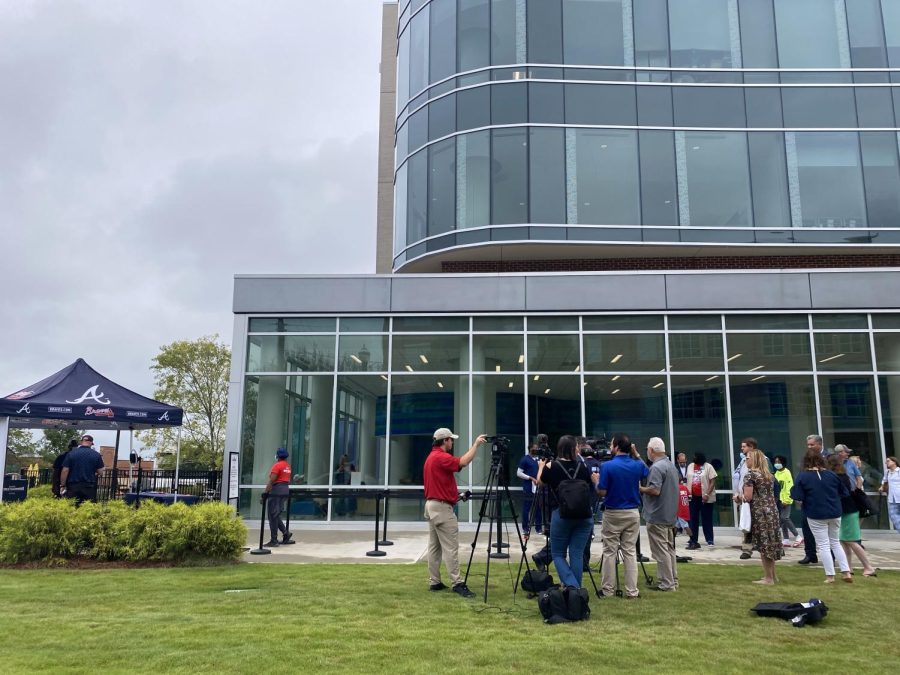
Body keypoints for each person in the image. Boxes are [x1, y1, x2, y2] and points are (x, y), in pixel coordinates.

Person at [423, 428, 486, 598]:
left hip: (432, 506)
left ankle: (434, 581)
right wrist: (476, 445)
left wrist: (453, 496)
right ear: (445, 440)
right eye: (451, 440)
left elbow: (439, 485)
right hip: (442, 509)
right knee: (450, 547)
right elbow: (463, 462)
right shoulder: (441, 457)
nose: (452, 442)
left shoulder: (431, 457)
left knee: (434, 547)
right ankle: (457, 583)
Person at [536, 435, 594, 589]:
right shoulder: (583, 466)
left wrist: (541, 467)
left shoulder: (552, 466)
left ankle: (572, 587)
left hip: (561, 515)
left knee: (557, 554)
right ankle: (576, 593)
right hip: (584, 516)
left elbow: (540, 483)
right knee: (576, 553)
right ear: (574, 448)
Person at [596, 432, 649, 598]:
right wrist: (636, 453)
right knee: (630, 551)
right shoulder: (637, 465)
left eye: (612, 444)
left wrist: (595, 481)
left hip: (613, 512)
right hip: (632, 512)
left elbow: (602, 491)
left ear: (617, 446)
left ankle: (608, 589)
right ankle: (632, 591)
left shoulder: (607, 466)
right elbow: (647, 471)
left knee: (610, 551)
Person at [790, 448, 853, 584]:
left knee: (824, 545)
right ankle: (846, 571)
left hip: (815, 513)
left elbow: (797, 496)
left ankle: (830, 576)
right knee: (835, 542)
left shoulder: (803, 476)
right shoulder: (831, 475)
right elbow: (844, 492)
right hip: (834, 512)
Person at [639, 437, 680, 591]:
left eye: (647, 450)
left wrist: (640, 488)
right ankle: (672, 580)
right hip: (669, 515)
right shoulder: (670, 466)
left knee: (661, 552)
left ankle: (666, 583)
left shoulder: (657, 468)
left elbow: (655, 490)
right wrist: (637, 456)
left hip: (657, 515)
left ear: (652, 450)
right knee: (669, 550)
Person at [827, 455, 876, 577]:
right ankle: (848, 567)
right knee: (844, 540)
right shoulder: (843, 476)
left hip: (848, 511)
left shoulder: (837, 478)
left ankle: (868, 567)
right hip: (846, 511)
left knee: (851, 540)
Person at [742, 449, 784, 584]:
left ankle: (768, 578)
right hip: (772, 510)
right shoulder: (769, 475)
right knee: (771, 543)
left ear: (754, 459)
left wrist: (738, 497)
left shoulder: (750, 476)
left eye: (747, 458)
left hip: (760, 512)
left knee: (763, 544)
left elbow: (748, 497)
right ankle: (773, 575)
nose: (745, 460)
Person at [797, 434, 823, 564]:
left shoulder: (827, 457)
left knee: (826, 531)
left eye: (812, 444)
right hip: (808, 500)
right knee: (806, 528)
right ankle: (810, 554)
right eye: (808, 445)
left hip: (823, 500)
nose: (809, 447)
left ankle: (831, 556)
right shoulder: (805, 459)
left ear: (819, 444)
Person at [59, 435, 105, 505]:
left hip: (73, 486)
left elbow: (65, 470)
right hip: (89, 487)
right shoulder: (96, 455)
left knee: (72, 507)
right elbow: (101, 472)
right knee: (88, 509)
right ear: (91, 443)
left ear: (81, 442)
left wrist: (62, 485)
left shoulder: (71, 454)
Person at [262, 447, 293, 547]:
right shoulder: (288, 466)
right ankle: (285, 533)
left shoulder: (277, 466)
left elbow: (272, 480)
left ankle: (274, 540)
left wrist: (265, 493)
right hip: (285, 490)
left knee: (272, 515)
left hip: (277, 490)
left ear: (278, 456)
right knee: (275, 514)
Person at [685, 452, 717, 550]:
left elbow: (712, 481)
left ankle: (709, 539)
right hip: (693, 497)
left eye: (695, 457)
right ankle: (693, 539)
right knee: (692, 519)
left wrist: (707, 493)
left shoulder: (708, 467)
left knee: (706, 519)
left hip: (705, 497)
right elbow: (688, 479)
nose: (693, 458)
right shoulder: (690, 466)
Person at [733, 438, 756, 560]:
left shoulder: (761, 460)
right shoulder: (743, 461)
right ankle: (747, 549)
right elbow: (739, 478)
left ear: (751, 447)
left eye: (744, 447)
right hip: (744, 498)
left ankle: (769, 547)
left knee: (758, 525)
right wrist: (737, 493)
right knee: (747, 525)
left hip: (756, 499)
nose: (742, 449)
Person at [773, 455, 801, 547]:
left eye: (779, 462)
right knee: (782, 519)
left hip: (785, 500)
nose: (777, 464)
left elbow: (789, 487)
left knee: (785, 518)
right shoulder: (776, 473)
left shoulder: (787, 473)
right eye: (776, 462)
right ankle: (786, 539)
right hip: (778, 500)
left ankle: (798, 536)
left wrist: (787, 500)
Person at [516, 443, 540, 539]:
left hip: (538, 487)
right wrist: (530, 478)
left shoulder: (539, 460)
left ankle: (538, 528)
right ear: (530, 449)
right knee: (527, 508)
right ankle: (525, 528)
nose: (536, 450)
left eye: (537, 449)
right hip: (528, 487)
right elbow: (519, 473)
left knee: (538, 508)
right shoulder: (525, 460)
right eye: (534, 449)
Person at [879, 456, 900, 534]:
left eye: (888, 461)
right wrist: (881, 487)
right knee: (893, 516)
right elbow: (884, 480)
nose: (886, 463)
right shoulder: (887, 472)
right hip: (892, 498)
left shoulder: (899, 471)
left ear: (894, 462)